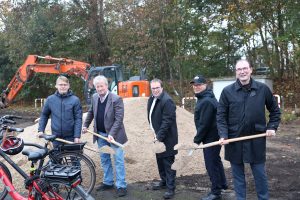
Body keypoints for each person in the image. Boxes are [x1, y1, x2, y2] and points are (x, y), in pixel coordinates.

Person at [217, 59, 281, 200]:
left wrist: (271, 127)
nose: (242, 72)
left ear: (251, 70)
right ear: (236, 72)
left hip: (256, 139)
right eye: (239, 69)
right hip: (234, 140)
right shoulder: (227, 92)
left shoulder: (262, 89)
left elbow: (275, 111)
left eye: (245, 68)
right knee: (238, 178)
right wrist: (223, 134)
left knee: (260, 175)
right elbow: (221, 116)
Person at [82, 75, 128, 197]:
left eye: (101, 86)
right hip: (100, 135)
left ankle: (121, 186)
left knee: (118, 161)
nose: (100, 89)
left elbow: (119, 119)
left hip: (115, 136)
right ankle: (108, 182)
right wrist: (85, 125)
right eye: (97, 87)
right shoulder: (95, 97)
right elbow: (91, 112)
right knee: (105, 160)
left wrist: (111, 134)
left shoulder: (116, 99)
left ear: (106, 86)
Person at [190, 75, 227, 200]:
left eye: (199, 84)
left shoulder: (206, 101)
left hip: (211, 137)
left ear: (205, 85)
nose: (196, 87)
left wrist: (196, 141)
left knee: (211, 164)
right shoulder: (206, 97)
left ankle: (216, 192)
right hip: (213, 135)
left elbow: (204, 124)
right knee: (216, 160)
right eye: (194, 85)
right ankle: (222, 184)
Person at [147, 78, 178, 199]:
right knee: (160, 160)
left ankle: (171, 188)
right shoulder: (152, 98)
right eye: (153, 88)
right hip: (158, 136)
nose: (155, 90)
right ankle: (164, 181)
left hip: (167, 138)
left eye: (157, 88)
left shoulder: (167, 101)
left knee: (168, 163)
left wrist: (159, 137)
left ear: (162, 88)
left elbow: (167, 121)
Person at [38, 76, 82, 147]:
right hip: (56, 137)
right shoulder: (50, 100)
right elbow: (44, 115)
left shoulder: (75, 100)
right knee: (57, 157)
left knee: (75, 157)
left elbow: (78, 119)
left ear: (68, 86)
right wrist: (41, 130)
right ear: (56, 86)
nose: (63, 87)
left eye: (65, 85)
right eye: (60, 85)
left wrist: (77, 136)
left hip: (71, 137)